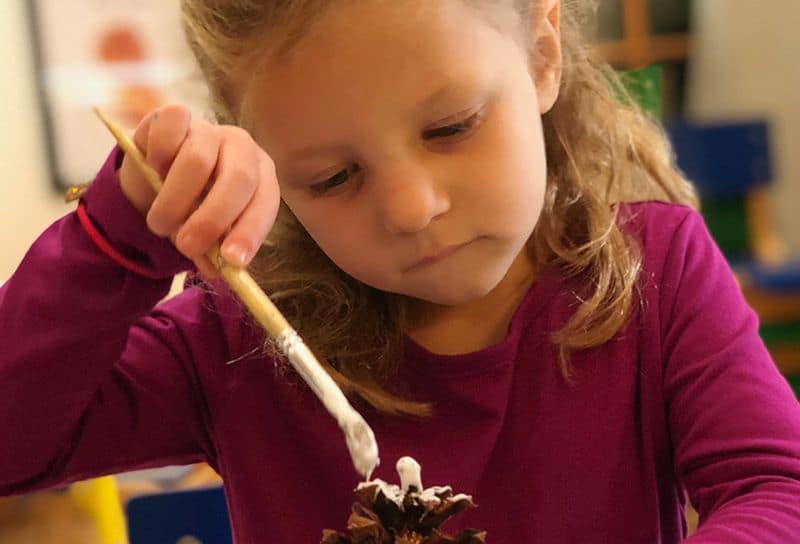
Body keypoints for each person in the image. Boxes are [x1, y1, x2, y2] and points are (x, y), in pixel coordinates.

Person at [2, 0, 799, 541]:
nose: (412, 208)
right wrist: (116, 239)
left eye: (451, 127)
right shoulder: (231, 336)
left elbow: (780, 491)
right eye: (333, 178)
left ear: (543, 55)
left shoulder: (653, 272)